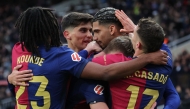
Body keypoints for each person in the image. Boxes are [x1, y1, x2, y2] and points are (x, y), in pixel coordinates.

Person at [8, 7, 167, 109]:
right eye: (83, 30)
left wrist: (10, 79)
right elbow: (105, 73)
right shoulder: (64, 56)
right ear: (64, 33)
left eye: (92, 31)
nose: (90, 36)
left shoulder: (18, 49)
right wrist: (146, 58)